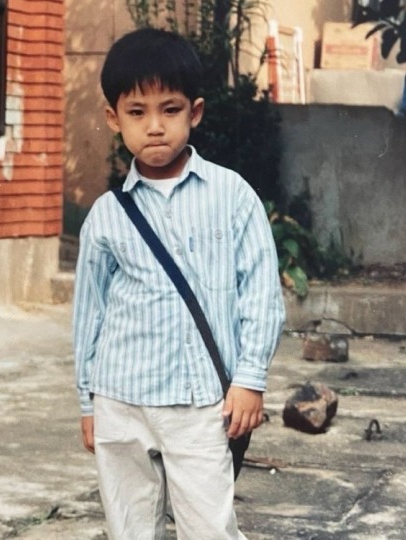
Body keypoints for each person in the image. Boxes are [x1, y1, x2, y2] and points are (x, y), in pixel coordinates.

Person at [73, 27, 285, 540]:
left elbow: (261, 294)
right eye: (137, 112)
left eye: (170, 110)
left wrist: (250, 379)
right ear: (113, 118)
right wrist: (87, 402)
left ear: (195, 112)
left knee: (209, 527)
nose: (154, 127)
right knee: (129, 526)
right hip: (120, 399)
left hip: (200, 405)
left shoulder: (232, 196)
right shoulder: (107, 215)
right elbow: (89, 313)